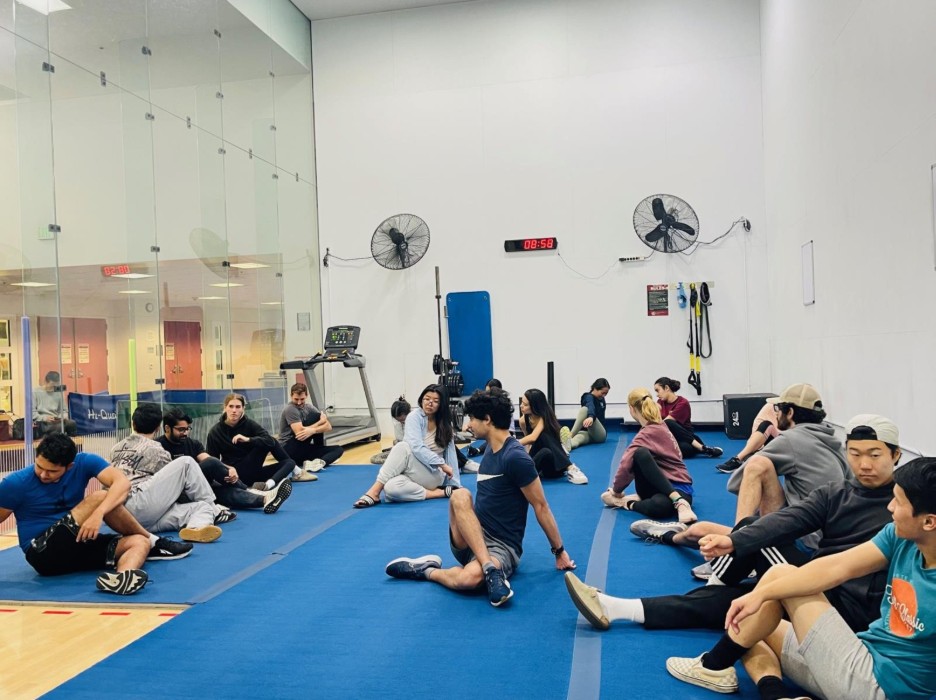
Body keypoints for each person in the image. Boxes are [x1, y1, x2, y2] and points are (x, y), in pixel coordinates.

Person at [565, 415, 901, 654]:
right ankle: (617, 607)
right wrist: (735, 540)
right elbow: (791, 519)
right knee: (738, 599)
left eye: (874, 455)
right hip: (815, 583)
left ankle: (703, 564)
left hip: (848, 607)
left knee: (749, 541)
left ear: (896, 455)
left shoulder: (905, 506)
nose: (864, 465)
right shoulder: (836, 493)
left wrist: (736, 540)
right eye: (855, 455)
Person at [665, 456, 936, 700]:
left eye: (898, 502)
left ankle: (712, 666)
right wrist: (760, 595)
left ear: (929, 522)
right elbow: (837, 567)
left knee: (780, 579)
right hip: (860, 656)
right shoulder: (901, 537)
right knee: (748, 626)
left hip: (878, 688)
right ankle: (775, 695)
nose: (889, 507)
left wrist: (764, 592)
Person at [384, 389, 576, 606]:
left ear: (487, 420)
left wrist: (559, 551)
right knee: (460, 495)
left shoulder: (515, 457)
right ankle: (490, 570)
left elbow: (541, 506)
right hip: (471, 536)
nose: (468, 425)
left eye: (472, 419)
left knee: (469, 580)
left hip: (501, 546)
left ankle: (425, 571)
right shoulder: (489, 452)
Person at [0, 433, 192, 596]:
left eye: (52, 471)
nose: (43, 475)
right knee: (101, 496)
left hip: (76, 544)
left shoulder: (84, 462)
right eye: (39, 467)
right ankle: (154, 541)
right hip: (42, 553)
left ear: (69, 467)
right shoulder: (16, 483)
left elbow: (122, 483)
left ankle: (121, 578)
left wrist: (98, 514)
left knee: (138, 542)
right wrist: (97, 510)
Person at [110, 403, 224, 543]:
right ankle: (216, 510)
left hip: (122, 517)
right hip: (139, 503)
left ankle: (196, 528)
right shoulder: (157, 450)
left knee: (202, 508)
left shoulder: (115, 448)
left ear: (132, 423)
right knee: (186, 462)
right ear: (159, 428)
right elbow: (175, 489)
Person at [158, 408, 291, 515]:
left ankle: (265, 500)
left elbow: (207, 458)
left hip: (200, 488)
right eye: (181, 430)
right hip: (177, 490)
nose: (185, 433)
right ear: (167, 428)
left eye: (187, 429)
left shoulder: (192, 443)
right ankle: (253, 491)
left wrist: (229, 468)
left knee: (226, 492)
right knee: (211, 464)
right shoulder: (157, 447)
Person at [353, 384, 461, 507]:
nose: (430, 403)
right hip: (412, 470)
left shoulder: (445, 423)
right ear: (421, 400)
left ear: (441, 404)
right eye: (427, 399)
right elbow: (416, 446)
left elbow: (451, 454)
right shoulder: (414, 417)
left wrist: (455, 484)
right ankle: (437, 493)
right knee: (391, 488)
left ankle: (374, 491)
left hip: (433, 473)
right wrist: (441, 463)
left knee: (402, 447)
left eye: (435, 401)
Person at [600, 387, 697, 523]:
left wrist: (616, 491)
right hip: (656, 486)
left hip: (679, 487)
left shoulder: (648, 432)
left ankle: (675, 500)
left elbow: (625, 464)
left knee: (660, 506)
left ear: (632, 409)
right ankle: (628, 502)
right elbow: (628, 463)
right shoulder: (660, 426)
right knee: (641, 453)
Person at [205, 393, 297, 493]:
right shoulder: (215, 432)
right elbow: (212, 461)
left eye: (238, 407)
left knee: (290, 462)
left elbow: (269, 441)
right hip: (234, 474)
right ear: (225, 407)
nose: (234, 410)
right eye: (231, 406)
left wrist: (248, 439)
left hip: (254, 472)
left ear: (243, 408)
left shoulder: (249, 424)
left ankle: (267, 486)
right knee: (268, 441)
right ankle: (298, 472)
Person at [517, 388, 587, 485]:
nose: (521, 406)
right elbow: (528, 441)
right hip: (533, 464)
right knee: (543, 438)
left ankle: (569, 466)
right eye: (522, 403)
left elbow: (533, 437)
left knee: (545, 441)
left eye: (525, 405)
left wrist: (512, 442)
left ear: (535, 406)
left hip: (553, 469)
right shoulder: (523, 421)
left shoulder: (543, 418)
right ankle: (565, 458)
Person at [277, 382, 344, 474]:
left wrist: (313, 430)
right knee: (316, 418)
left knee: (338, 449)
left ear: (306, 396)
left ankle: (319, 462)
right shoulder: (290, 409)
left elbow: (328, 426)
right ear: (291, 396)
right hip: (288, 449)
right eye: (296, 399)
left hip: (302, 449)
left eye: (302, 399)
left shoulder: (309, 407)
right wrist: (320, 422)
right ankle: (321, 458)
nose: (299, 402)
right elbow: (300, 434)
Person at [654, 376, 723, 458]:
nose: (657, 395)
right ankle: (700, 447)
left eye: (658, 390)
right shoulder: (660, 402)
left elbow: (664, 423)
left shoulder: (682, 403)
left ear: (666, 388)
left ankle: (699, 447)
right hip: (669, 437)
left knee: (686, 449)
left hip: (685, 437)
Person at [716, 398, 780, 473]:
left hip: (788, 447)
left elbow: (788, 437)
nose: (777, 410)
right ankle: (739, 459)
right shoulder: (770, 407)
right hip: (774, 444)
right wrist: (754, 447)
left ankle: (749, 457)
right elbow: (758, 428)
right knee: (766, 425)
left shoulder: (792, 415)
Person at [568, 378, 610, 450]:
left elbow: (591, 409)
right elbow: (590, 405)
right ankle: (567, 446)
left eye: (606, 393)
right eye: (602, 393)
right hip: (588, 433)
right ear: (594, 388)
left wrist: (591, 417)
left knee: (585, 410)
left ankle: (570, 435)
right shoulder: (588, 397)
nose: (604, 396)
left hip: (600, 435)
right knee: (579, 438)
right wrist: (590, 416)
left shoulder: (601, 399)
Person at [32, 370, 77, 437]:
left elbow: (64, 410)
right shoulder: (35, 392)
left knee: (72, 423)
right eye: (52, 386)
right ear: (45, 382)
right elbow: (32, 413)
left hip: (56, 419)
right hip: (43, 421)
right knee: (57, 427)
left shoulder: (58, 392)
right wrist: (44, 418)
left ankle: (72, 445)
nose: (53, 389)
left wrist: (63, 416)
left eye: (55, 386)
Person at [371, 397, 411, 465]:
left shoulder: (414, 421)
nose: (401, 422)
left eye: (403, 421)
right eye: (398, 420)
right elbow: (399, 438)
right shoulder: (397, 424)